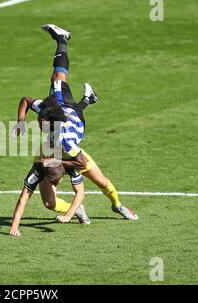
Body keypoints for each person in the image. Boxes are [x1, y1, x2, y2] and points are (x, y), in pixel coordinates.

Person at [9, 25, 138, 236]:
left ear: (51, 124)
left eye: (41, 122)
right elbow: (25, 100)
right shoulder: (47, 107)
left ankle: (117, 205)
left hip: (72, 139)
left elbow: (82, 163)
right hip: (64, 111)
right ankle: (62, 40)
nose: (39, 123)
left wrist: (59, 163)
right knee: (57, 78)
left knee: (103, 182)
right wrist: (21, 122)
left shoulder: (67, 141)